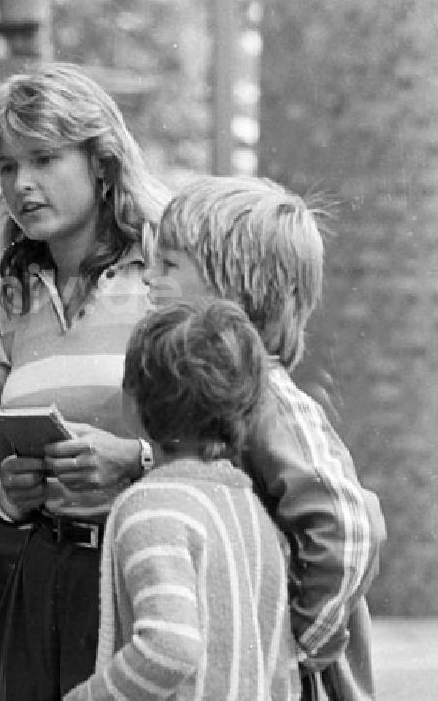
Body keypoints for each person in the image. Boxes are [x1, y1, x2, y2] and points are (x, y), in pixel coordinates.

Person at [0, 62, 170, 700]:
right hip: (40, 581)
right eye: (6, 166)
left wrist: (133, 460)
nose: (21, 184)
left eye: (45, 158)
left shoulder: (169, 277)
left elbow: (235, 437)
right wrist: (10, 494)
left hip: (145, 574)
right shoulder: (13, 295)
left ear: (102, 161)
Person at [144, 175, 386, 701]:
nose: (149, 281)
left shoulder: (267, 402)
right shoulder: (215, 403)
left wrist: (298, 644)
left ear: (233, 287)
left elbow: (347, 528)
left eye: (169, 265)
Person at [66, 299, 301, 701]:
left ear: (133, 401)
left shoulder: (151, 506)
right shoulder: (252, 510)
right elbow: (280, 666)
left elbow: (169, 647)